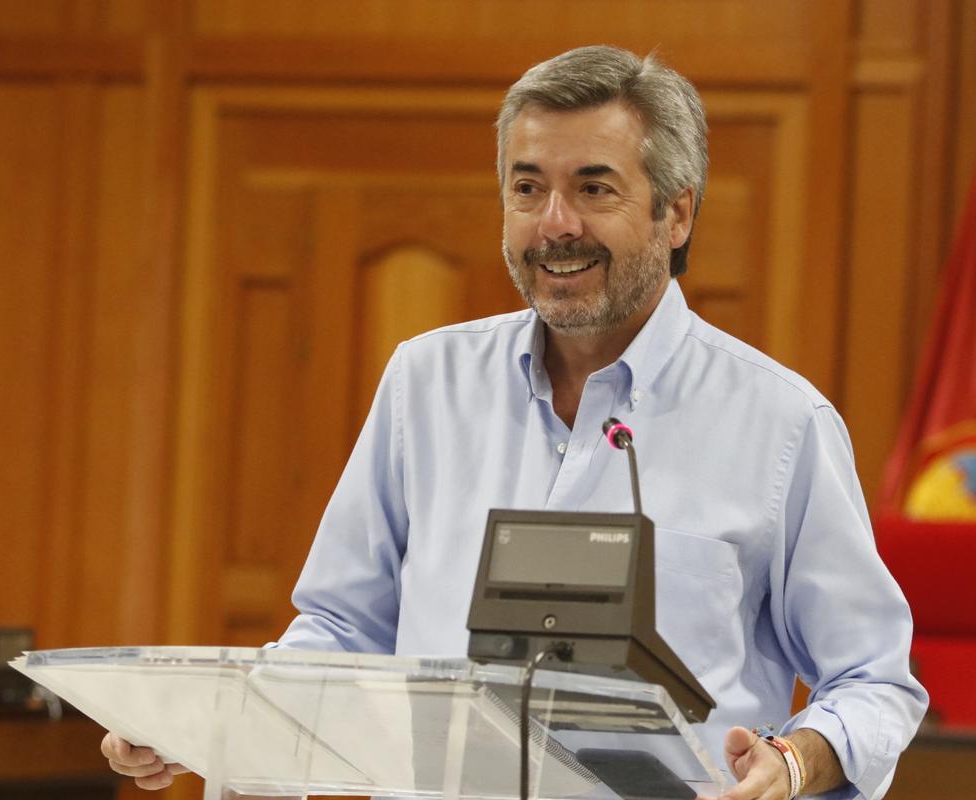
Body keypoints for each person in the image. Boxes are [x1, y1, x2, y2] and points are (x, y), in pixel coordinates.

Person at [103, 45, 927, 799]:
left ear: (676, 215)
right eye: (527, 188)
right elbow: (343, 628)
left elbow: (873, 679)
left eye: (593, 188)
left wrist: (791, 763)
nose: (555, 223)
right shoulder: (425, 383)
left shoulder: (780, 422)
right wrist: (209, 722)